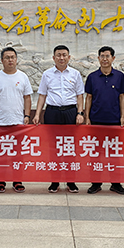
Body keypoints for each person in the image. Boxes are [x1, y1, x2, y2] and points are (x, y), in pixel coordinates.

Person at [33, 45, 84, 194]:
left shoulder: (75, 74)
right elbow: (42, 95)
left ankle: (71, 182)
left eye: (64, 55)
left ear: (69, 57)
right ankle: (54, 182)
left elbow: (80, 95)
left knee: (70, 147)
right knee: (53, 148)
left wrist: (80, 113)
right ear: (53, 58)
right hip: (52, 112)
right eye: (58, 55)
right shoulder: (47, 74)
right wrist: (37, 114)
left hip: (70, 112)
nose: (61, 58)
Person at [0, 47, 33, 193]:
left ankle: (17, 180)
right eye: (7, 57)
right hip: (0, 122)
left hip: (18, 121)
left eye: (12, 57)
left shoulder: (23, 76)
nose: (10, 60)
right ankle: (1, 180)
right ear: (2, 60)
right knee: (1, 154)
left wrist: (27, 116)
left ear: (16, 59)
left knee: (18, 154)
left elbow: (27, 97)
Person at [85, 46, 124, 195]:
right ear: (98, 58)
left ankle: (116, 183)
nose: (105, 59)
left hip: (114, 120)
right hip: (96, 120)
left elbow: (122, 97)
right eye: (102, 56)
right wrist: (87, 117)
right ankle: (96, 183)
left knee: (114, 154)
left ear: (113, 58)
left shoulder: (119, 76)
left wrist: (122, 116)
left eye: (107, 56)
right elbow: (89, 98)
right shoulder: (92, 77)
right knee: (95, 154)